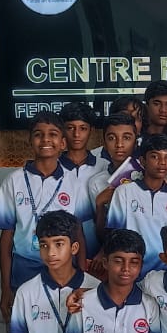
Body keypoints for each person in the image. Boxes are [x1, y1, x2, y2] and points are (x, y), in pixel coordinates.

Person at [0, 110, 90, 333]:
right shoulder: (13, 181)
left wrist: (83, 276)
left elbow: (79, 233)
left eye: (53, 134)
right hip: (25, 268)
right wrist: (7, 288)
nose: (45, 140)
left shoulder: (74, 182)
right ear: (30, 140)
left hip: (68, 269)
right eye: (38, 134)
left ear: (63, 142)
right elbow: (7, 236)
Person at [106, 133, 167, 277]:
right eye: (155, 157)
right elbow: (114, 232)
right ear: (142, 161)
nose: (162, 162)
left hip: (164, 269)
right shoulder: (125, 191)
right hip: (131, 268)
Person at [86, 112, 141, 250]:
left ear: (136, 142)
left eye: (126, 138)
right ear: (104, 143)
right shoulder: (96, 182)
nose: (119, 144)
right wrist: (100, 205)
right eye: (111, 138)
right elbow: (100, 234)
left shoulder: (147, 174)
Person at [58, 101, 105, 257]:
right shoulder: (53, 167)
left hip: (96, 240)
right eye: (70, 128)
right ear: (62, 130)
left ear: (91, 130)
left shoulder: (104, 166)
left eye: (83, 128)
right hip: (60, 239)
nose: (77, 135)